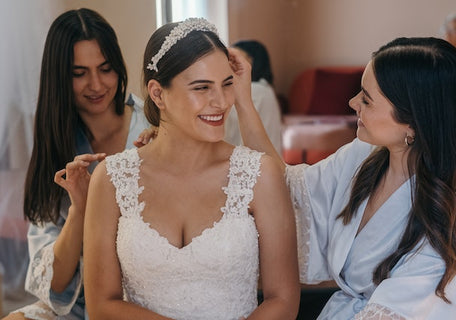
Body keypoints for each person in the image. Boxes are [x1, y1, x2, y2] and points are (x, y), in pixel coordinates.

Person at [230, 37, 456, 319]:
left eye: (366, 99)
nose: (352, 103)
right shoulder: (364, 156)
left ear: (412, 121)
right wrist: (243, 101)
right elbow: (283, 188)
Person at [82, 17, 299, 320]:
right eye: (202, 87)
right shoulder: (110, 179)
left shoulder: (260, 175)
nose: (221, 102)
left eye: (227, 84)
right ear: (157, 94)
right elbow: (102, 304)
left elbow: (283, 299)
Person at [5, 8, 150, 320]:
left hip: (145, 301)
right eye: (79, 73)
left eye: (106, 68)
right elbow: (54, 284)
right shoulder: (55, 147)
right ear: (59, 77)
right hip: (78, 305)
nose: (96, 85)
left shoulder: (153, 127)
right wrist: (79, 209)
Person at [224, 40, 283, 154]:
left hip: (258, 160)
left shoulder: (254, 90)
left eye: (233, 59)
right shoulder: (265, 89)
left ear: (249, 61)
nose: (229, 63)